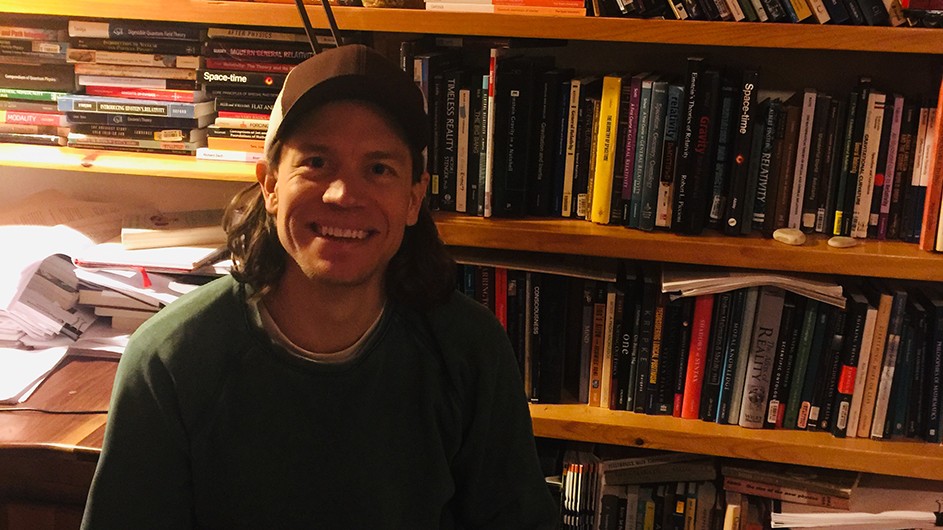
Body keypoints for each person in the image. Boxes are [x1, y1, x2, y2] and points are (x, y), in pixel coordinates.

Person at [81, 43, 558, 529]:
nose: (343, 195)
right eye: (316, 162)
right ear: (269, 185)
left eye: (378, 169)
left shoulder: (469, 351)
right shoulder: (169, 362)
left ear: (414, 198)